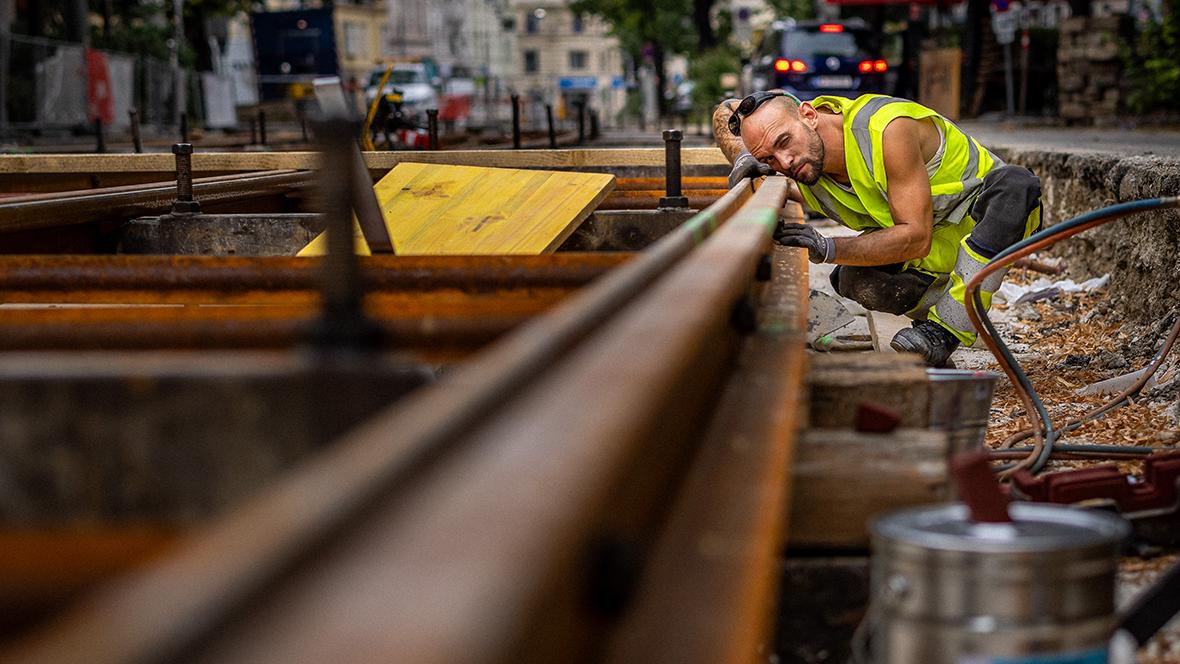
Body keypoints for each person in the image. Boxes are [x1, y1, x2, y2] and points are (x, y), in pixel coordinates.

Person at [712, 91, 1042, 367]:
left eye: (784, 142)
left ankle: (945, 331)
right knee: (852, 278)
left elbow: (915, 237)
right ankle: (946, 309)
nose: (783, 162)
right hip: (939, 253)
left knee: (1015, 185)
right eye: (770, 159)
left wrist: (829, 247)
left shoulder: (886, 129)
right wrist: (747, 159)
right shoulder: (808, 169)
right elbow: (725, 110)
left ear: (810, 114)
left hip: (988, 224)